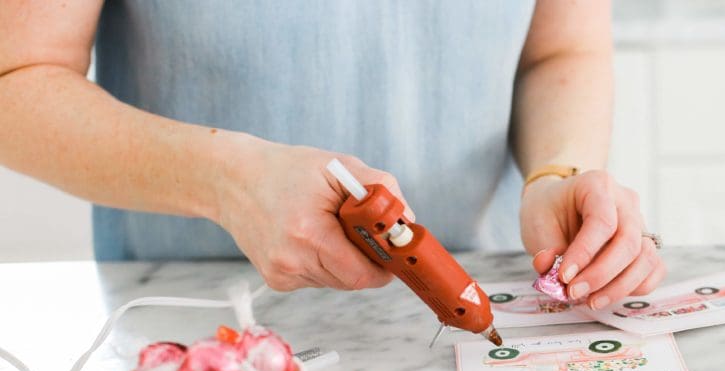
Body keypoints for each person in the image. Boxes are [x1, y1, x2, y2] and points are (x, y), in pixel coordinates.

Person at [0, 0, 664, 309]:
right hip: (196, 326)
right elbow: (16, 80)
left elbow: (559, 50)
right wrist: (229, 181)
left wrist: (558, 170)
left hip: (469, 302)